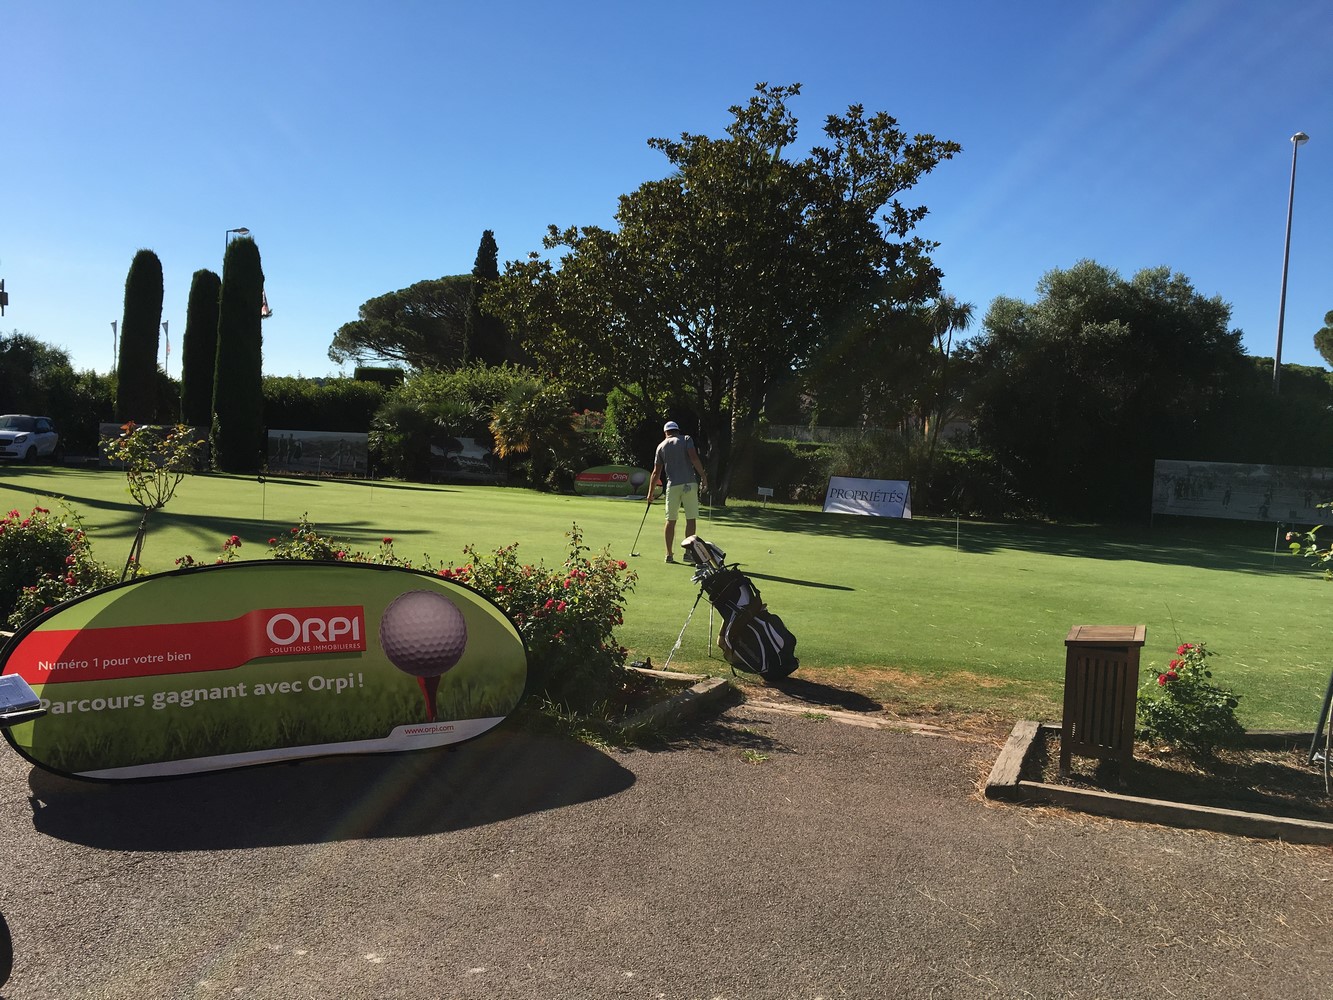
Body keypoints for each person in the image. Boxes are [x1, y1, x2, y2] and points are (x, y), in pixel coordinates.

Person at [647, 420, 708, 563]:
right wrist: (703, 476)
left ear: (666, 433)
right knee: (690, 519)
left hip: (672, 486)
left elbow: (656, 472)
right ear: (677, 431)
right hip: (689, 484)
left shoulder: (661, 446)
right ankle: (688, 553)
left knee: (671, 520)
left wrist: (650, 493)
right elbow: (694, 458)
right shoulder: (686, 439)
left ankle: (669, 554)